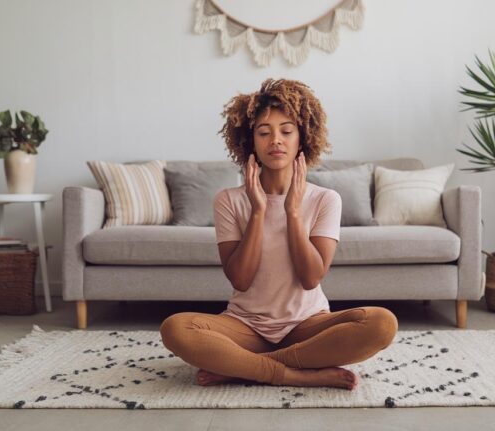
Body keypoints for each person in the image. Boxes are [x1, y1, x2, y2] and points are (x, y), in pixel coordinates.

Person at [159, 78, 398, 390]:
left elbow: (311, 277)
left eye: (286, 131)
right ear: (250, 141)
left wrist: (292, 211)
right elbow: (240, 280)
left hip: (307, 325)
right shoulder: (229, 200)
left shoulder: (325, 199)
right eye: (264, 132)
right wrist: (258, 211)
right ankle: (294, 373)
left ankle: (241, 367)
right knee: (175, 329)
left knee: (381, 324)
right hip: (245, 326)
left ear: (302, 138)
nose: (276, 140)